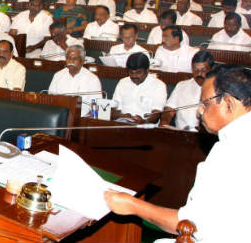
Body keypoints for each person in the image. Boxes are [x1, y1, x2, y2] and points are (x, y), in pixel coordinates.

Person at [105, 65, 251, 243]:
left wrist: (132, 205)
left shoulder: (230, 153)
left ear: (229, 103)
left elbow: (190, 224)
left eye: (205, 103)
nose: (199, 111)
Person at [161, 51, 215, 131]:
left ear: (212, 69)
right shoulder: (182, 86)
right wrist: (164, 123)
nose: (199, 74)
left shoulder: (219, 88)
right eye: (196, 70)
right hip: (180, 133)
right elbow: (169, 110)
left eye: (203, 70)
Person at [112, 53, 167, 123]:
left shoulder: (159, 85)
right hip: (122, 124)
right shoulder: (123, 82)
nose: (134, 76)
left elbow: (156, 114)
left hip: (146, 126)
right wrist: (121, 116)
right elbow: (114, 108)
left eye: (138, 72)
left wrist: (144, 121)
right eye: (131, 72)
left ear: (147, 70)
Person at [47, 45, 102, 116]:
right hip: (59, 117)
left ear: (82, 60)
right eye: (68, 58)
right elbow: (50, 100)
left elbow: (96, 107)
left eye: (75, 58)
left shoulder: (92, 79)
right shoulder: (58, 75)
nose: (71, 61)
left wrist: (82, 120)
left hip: (82, 118)